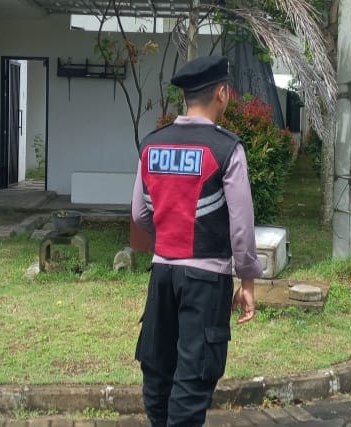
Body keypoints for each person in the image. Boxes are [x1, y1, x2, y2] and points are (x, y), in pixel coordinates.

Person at [131, 54, 262, 427]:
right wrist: (247, 282)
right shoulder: (226, 148)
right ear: (221, 93)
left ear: (186, 96)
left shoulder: (152, 145)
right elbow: (241, 226)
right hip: (207, 280)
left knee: (157, 372)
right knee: (193, 378)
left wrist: (169, 234)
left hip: (162, 275)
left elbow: (140, 214)